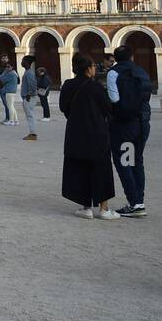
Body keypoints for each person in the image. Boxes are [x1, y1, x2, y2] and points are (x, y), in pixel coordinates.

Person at [60, 53, 119, 220]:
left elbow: (64, 107)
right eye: (93, 66)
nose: (95, 68)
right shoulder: (96, 87)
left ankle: (85, 207)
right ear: (88, 69)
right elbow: (108, 108)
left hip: (75, 133)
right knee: (101, 169)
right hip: (96, 133)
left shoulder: (68, 85)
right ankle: (104, 209)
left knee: (80, 169)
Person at [107, 44, 152, 217]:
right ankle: (138, 200)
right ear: (132, 57)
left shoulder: (114, 73)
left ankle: (135, 203)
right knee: (136, 161)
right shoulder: (141, 71)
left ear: (115, 59)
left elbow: (114, 98)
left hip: (124, 125)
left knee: (125, 162)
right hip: (143, 123)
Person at [18, 56, 39, 140]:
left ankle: (33, 133)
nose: (21, 62)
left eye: (23, 61)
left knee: (30, 116)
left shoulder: (29, 73)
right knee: (30, 115)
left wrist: (29, 95)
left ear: (27, 62)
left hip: (29, 97)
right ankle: (32, 132)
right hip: (28, 97)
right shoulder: (28, 72)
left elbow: (33, 85)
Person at [0, 59, 20, 126]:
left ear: (12, 67)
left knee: (10, 106)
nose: (7, 68)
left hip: (9, 91)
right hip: (13, 91)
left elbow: (2, 79)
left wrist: (4, 72)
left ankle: (11, 120)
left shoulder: (11, 74)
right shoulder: (15, 73)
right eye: (6, 67)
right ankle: (16, 120)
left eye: (8, 67)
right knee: (12, 106)